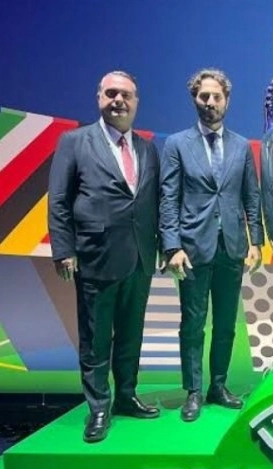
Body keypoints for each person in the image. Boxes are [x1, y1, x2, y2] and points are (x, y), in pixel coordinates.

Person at [48, 71, 161, 443]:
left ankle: (126, 396)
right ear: (99, 97)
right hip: (95, 257)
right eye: (111, 93)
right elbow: (59, 200)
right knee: (95, 338)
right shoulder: (74, 141)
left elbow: (153, 202)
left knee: (131, 334)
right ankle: (98, 407)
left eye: (126, 95)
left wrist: (165, 246)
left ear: (136, 102)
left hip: (140, 257)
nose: (119, 100)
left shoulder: (147, 148)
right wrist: (64, 249)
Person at [160, 68, 264, 422]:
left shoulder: (242, 146)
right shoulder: (177, 144)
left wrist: (256, 241)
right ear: (195, 99)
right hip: (191, 248)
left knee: (225, 324)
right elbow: (168, 198)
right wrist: (171, 246)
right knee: (193, 324)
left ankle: (218, 386)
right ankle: (193, 391)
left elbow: (252, 196)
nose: (210, 102)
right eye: (204, 96)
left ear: (226, 101)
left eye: (216, 96)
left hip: (232, 247)